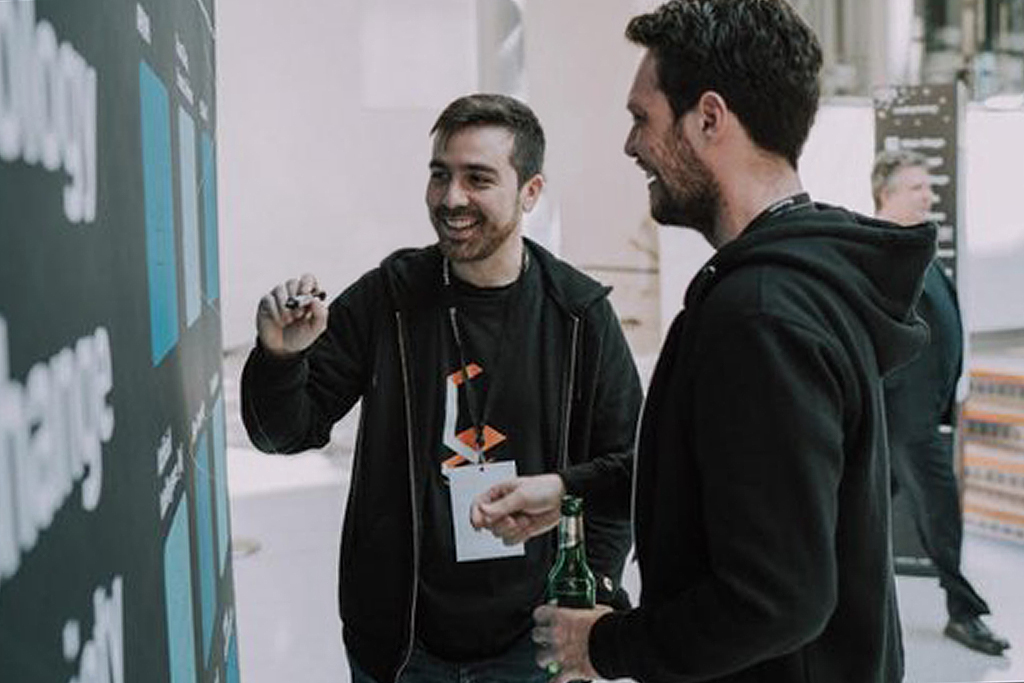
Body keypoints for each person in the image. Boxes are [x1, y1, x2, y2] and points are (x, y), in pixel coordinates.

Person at [471, 2, 940, 681]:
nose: (630, 145)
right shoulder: (801, 280)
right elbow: (737, 471)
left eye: (642, 118)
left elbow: (776, 600)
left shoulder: (761, 314)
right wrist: (569, 489)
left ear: (710, 118)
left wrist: (601, 645)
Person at [240, 93, 642, 683]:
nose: (452, 198)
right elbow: (283, 434)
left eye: (478, 178)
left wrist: (590, 598)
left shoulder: (578, 315)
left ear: (530, 192)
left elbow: (624, 470)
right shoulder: (389, 296)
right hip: (403, 644)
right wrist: (281, 358)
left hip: (531, 644)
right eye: (439, 175)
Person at [872, 149, 1010, 656]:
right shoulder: (879, 252)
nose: (929, 195)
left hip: (918, 413)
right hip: (906, 417)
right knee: (940, 513)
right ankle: (965, 614)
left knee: (861, 513)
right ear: (886, 194)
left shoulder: (913, 247)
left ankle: (833, 598)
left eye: (928, 187)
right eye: (917, 187)